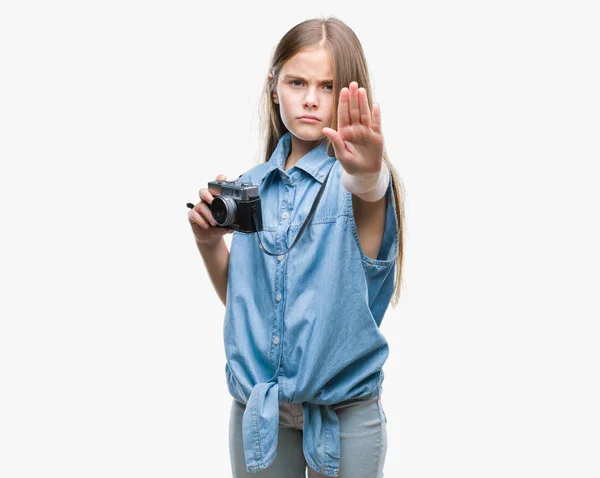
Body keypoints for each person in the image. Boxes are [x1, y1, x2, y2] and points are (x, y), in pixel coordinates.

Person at [188, 16, 405, 478]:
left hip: (345, 411)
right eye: (297, 82)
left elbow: (369, 188)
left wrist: (369, 172)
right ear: (273, 87)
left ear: (350, 95)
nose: (310, 99)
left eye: (327, 87)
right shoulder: (250, 189)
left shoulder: (355, 184)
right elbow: (248, 303)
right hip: (260, 412)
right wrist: (209, 244)